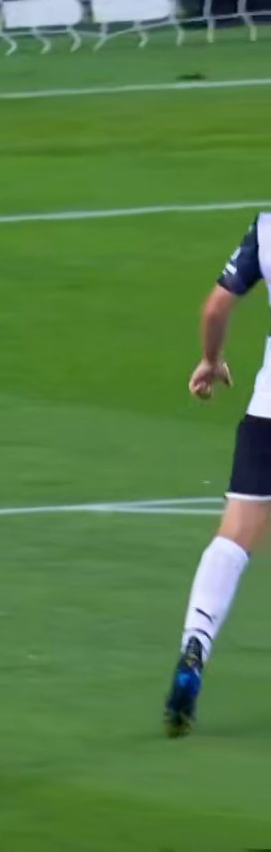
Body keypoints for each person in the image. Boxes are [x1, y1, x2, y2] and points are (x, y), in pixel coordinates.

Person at [164, 214, 271, 735]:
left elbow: (215, 306)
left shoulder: (267, 229)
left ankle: (196, 644)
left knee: (233, 537)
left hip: (268, 413)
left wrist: (211, 360)